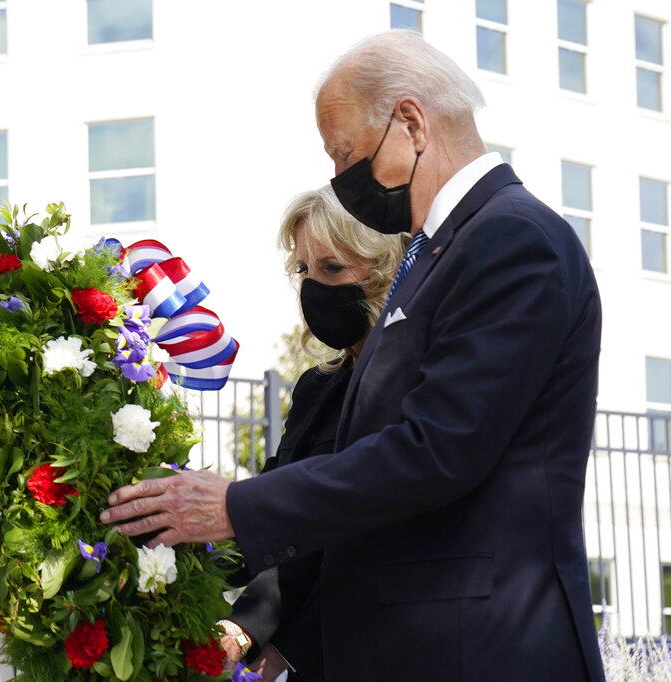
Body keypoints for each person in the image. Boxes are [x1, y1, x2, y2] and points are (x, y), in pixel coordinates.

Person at [101, 30, 604, 682]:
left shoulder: (511, 237)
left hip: (477, 652)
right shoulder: (441, 251)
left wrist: (237, 507)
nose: (340, 180)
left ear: (412, 124)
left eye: (344, 153)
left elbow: (437, 451)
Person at [219, 187, 407, 682]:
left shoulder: (410, 387)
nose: (313, 286)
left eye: (332, 267)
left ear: (384, 270)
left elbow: (365, 540)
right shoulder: (316, 389)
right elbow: (281, 520)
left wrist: (284, 645)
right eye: (304, 270)